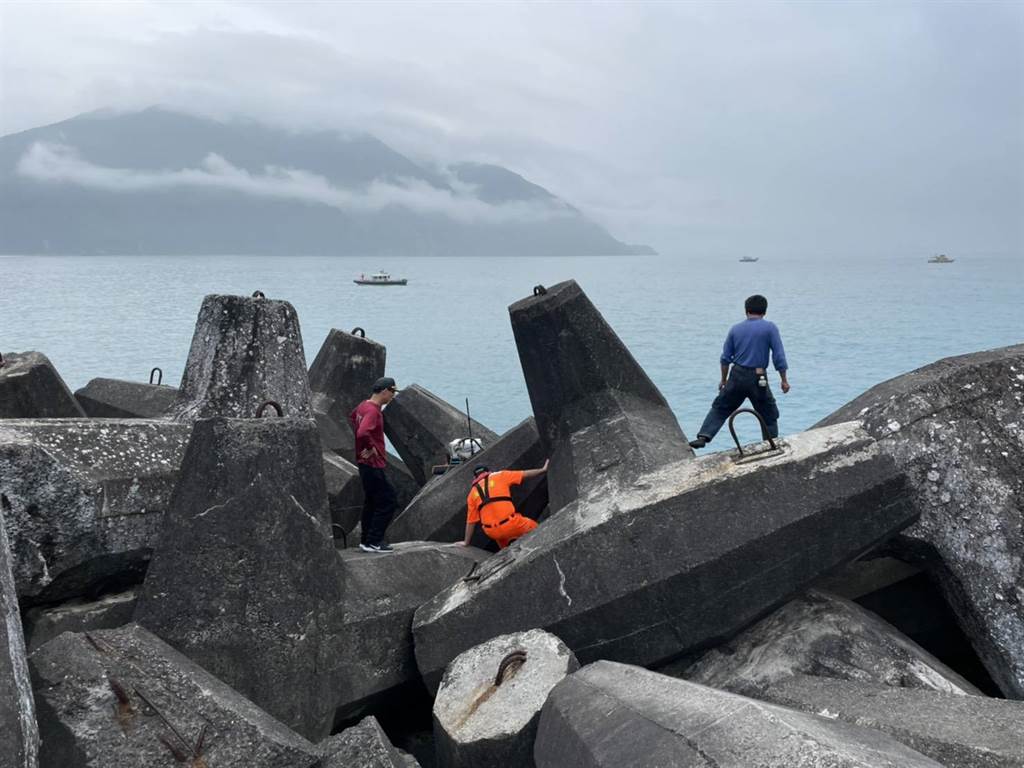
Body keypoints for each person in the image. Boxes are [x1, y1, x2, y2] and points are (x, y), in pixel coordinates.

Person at [689, 294, 790, 449]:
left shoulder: (735, 329)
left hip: (737, 375)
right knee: (768, 413)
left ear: (746, 310)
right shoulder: (770, 328)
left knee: (721, 407)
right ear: (764, 311)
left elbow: (725, 358)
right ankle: (771, 444)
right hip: (758, 377)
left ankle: (703, 436)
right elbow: (779, 356)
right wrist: (784, 380)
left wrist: (724, 380)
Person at [349, 376, 399, 552]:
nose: (392, 396)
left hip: (364, 464)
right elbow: (363, 432)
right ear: (384, 391)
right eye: (392, 392)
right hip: (373, 463)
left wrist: (361, 445)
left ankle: (366, 540)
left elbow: (353, 417)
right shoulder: (374, 411)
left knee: (371, 501)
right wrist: (371, 447)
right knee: (388, 500)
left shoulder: (363, 406)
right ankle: (375, 541)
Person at [458, 460, 549, 549]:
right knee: (537, 529)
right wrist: (542, 470)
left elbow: (471, 522)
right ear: (488, 472)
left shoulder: (471, 495)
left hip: (492, 532)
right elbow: (524, 474)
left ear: (475, 478)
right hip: (511, 524)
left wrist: (466, 542)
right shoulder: (500, 476)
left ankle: (505, 551)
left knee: (503, 542)